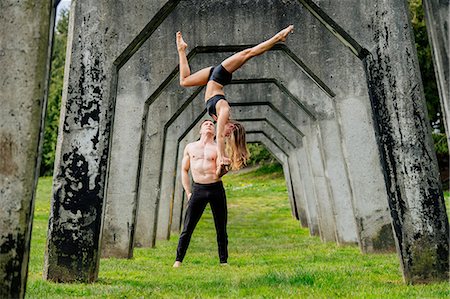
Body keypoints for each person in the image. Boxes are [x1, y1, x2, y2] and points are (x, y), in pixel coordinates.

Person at [176, 25, 294, 177]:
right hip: (219, 75)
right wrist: (222, 154)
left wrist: (222, 157)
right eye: (227, 134)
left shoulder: (217, 117)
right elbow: (218, 136)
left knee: (184, 81)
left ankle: (181, 49)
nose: (223, 134)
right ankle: (278, 37)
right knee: (248, 54)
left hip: (211, 76)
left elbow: (219, 136)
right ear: (231, 128)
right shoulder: (224, 111)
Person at [173, 119, 229, 267]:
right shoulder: (190, 147)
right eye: (206, 124)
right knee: (187, 227)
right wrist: (188, 192)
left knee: (221, 226)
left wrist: (222, 169)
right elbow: (184, 170)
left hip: (216, 188)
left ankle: (223, 261)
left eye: (212, 124)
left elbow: (218, 173)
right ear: (200, 130)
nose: (209, 125)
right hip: (198, 189)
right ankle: (178, 260)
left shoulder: (218, 148)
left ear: (214, 131)